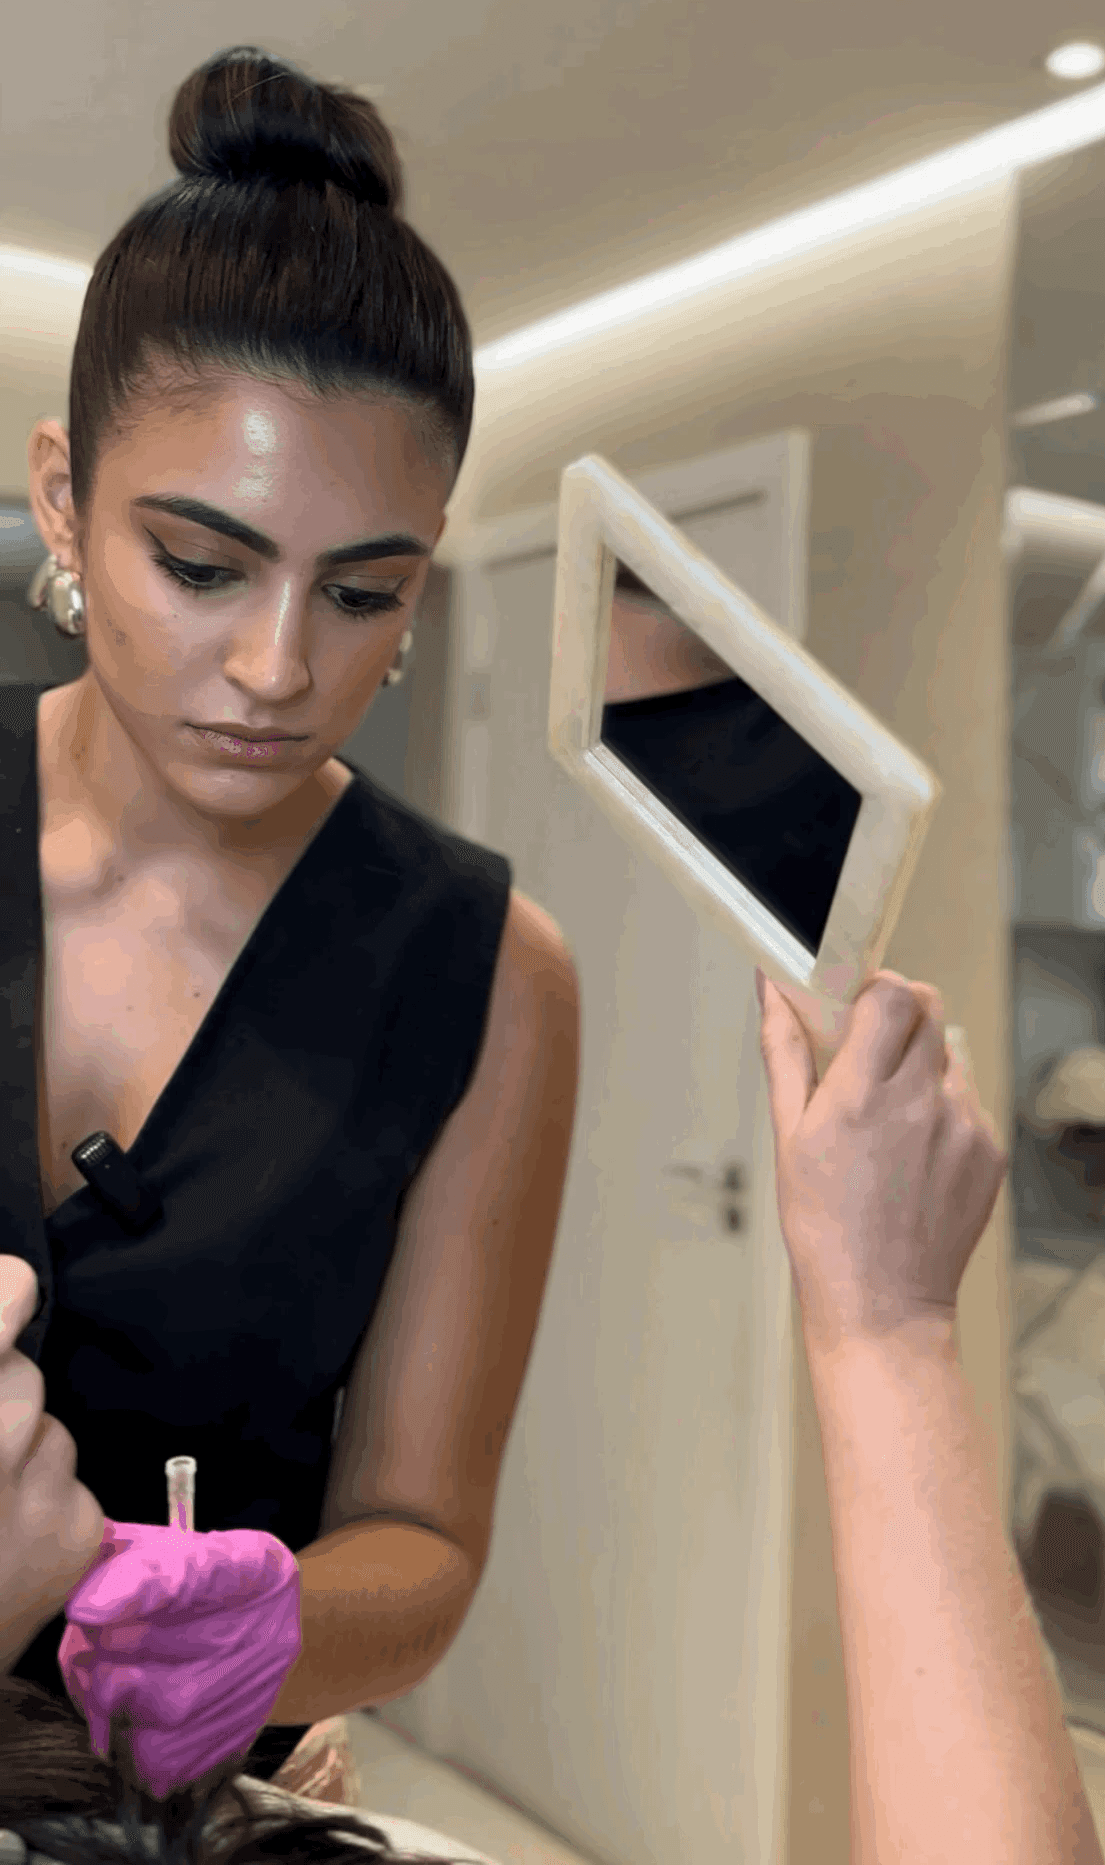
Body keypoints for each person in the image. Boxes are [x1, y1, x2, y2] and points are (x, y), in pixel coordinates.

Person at [1, 42, 581, 1783]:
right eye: (201, 565)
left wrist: (253, 1632)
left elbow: (421, 1539)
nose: (276, 671)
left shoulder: (483, 975)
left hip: (177, 1807)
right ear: (61, 503)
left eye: (361, 591)